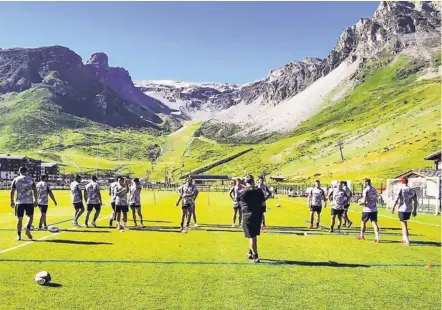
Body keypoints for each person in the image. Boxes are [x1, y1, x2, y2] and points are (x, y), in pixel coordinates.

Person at [237, 175, 266, 263]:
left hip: (247, 216)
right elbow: (263, 204)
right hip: (258, 215)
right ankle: (250, 252)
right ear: (253, 181)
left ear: (246, 182)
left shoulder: (241, 191)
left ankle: (255, 256)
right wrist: (263, 218)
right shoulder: (259, 190)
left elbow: (238, 203)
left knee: (251, 237)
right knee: (253, 236)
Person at [10, 166, 38, 241]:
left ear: (19, 171)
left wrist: (12, 201)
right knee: (30, 217)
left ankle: (19, 236)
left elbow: (12, 191)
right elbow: (35, 190)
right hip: (29, 201)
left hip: (19, 202)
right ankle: (28, 228)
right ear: (26, 171)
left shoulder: (16, 179)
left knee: (19, 219)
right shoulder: (30, 179)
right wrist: (36, 200)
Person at [392, 177, 418, 245]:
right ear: (407, 182)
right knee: (405, 224)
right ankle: (404, 239)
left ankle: (407, 241)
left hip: (402, 209)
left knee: (404, 225)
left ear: (401, 182)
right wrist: (414, 210)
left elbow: (396, 199)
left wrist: (393, 207)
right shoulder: (412, 190)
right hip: (409, 209)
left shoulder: (401, 189)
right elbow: (415, 201)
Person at [357, 178, 380, 243]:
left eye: (364, 183)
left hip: (367, 209)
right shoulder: (374, 189)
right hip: (374, 209)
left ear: (366, 183)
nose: (363, 184)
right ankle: (377, 238)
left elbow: (364, 201)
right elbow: (376, 198)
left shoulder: (365, 190)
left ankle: (362, 236)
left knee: (363, 222)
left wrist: (359, 203)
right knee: (374, 223)